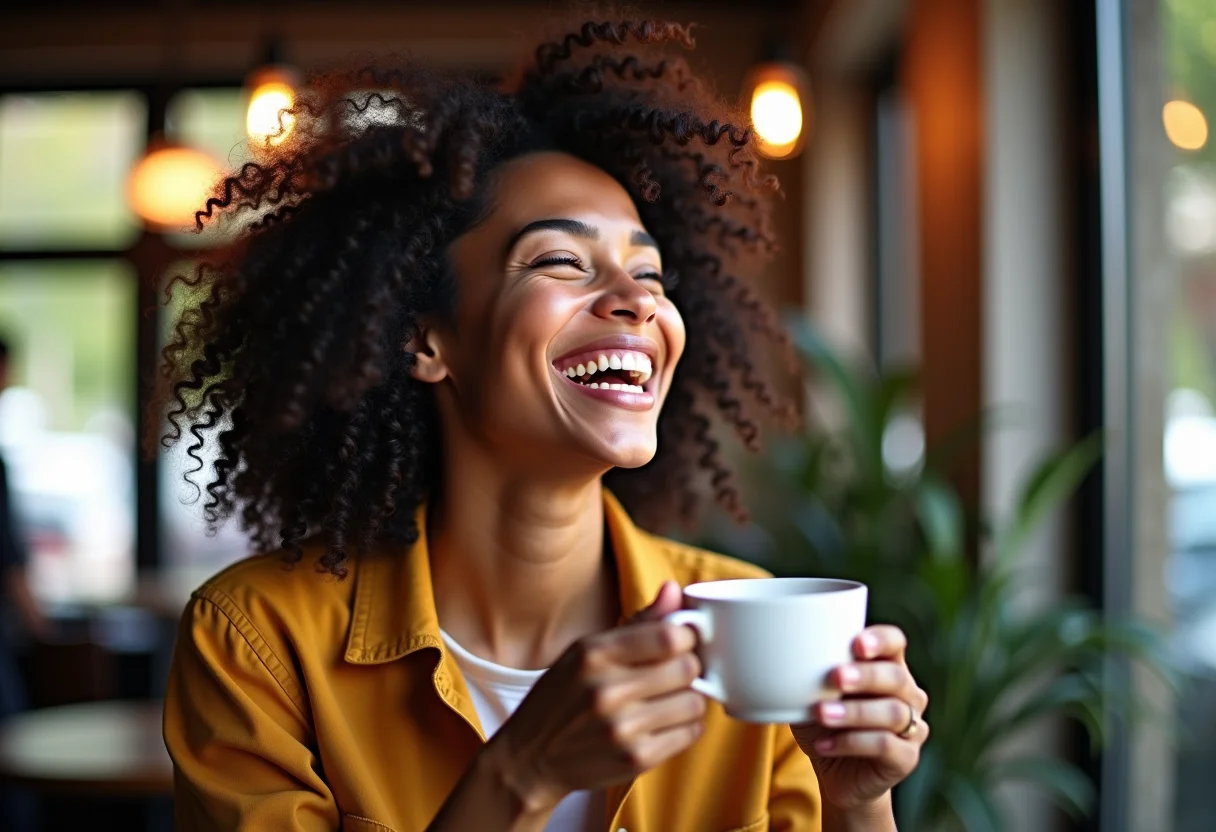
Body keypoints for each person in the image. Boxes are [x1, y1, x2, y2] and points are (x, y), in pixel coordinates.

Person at [158, 19, 928, 832]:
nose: (638, 302)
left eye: (649, 273)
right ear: (425, 339)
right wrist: (522, 774)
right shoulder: (255, 641)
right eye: (561, 261)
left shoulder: (758, 626)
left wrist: (859, 801)